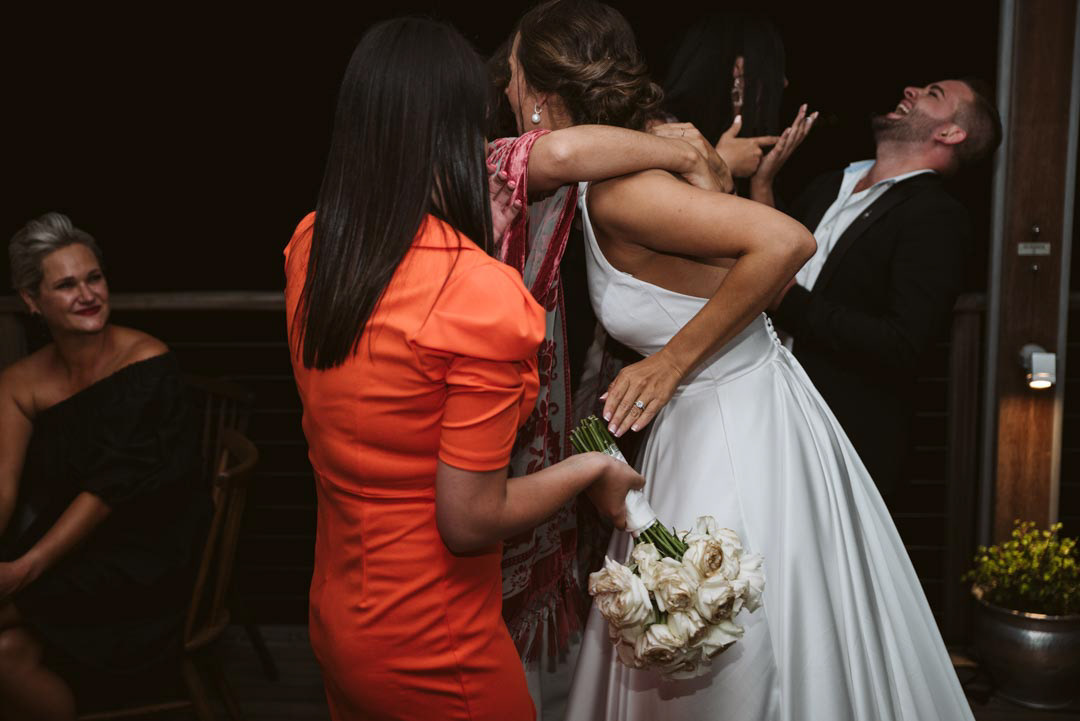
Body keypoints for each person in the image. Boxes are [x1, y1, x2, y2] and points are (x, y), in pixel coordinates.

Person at [505, 2, 978, 719]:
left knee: (732, 634)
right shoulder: (614, 177)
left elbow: (787, 243)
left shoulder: (624, 194)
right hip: (711, 418)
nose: (507, 91)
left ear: (542, 91)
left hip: (732, 426)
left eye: (512, 75)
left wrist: (670, 362)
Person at [282, 17, 672, 721]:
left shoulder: (313, 246)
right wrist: (590, 469)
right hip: (436, 645)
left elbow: (395, 385)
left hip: (337, 620)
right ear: (458, 131)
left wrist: (474, 250)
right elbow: (469, 519)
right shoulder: (478, 294)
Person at [0, 212, 208, 721]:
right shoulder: (20, 381)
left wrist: (25, 570)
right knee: (7, 653)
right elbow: (3, 486)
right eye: (66, 285)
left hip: (145, 558)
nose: (87, 294)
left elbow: (108, 491)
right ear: (32, 300)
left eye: (93, 278)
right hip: (69, 545)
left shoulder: (148, 362)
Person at [763, 78, 1002, 495]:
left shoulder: (936, 216)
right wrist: (762, 184)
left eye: (933, 93)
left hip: (835, 438)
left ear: (950, 133)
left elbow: (902, 344)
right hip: (764, 403)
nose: (911, 90)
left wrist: (788, 301)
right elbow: (770, 255)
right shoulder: (830, 184)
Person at [660, 11, 817, 193]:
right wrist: (723, 164)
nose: (783, 82)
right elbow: (658, 204)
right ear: (739, 69)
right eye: (773, 68)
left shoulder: (729, 137)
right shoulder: (662, 129)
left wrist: (763, 181)